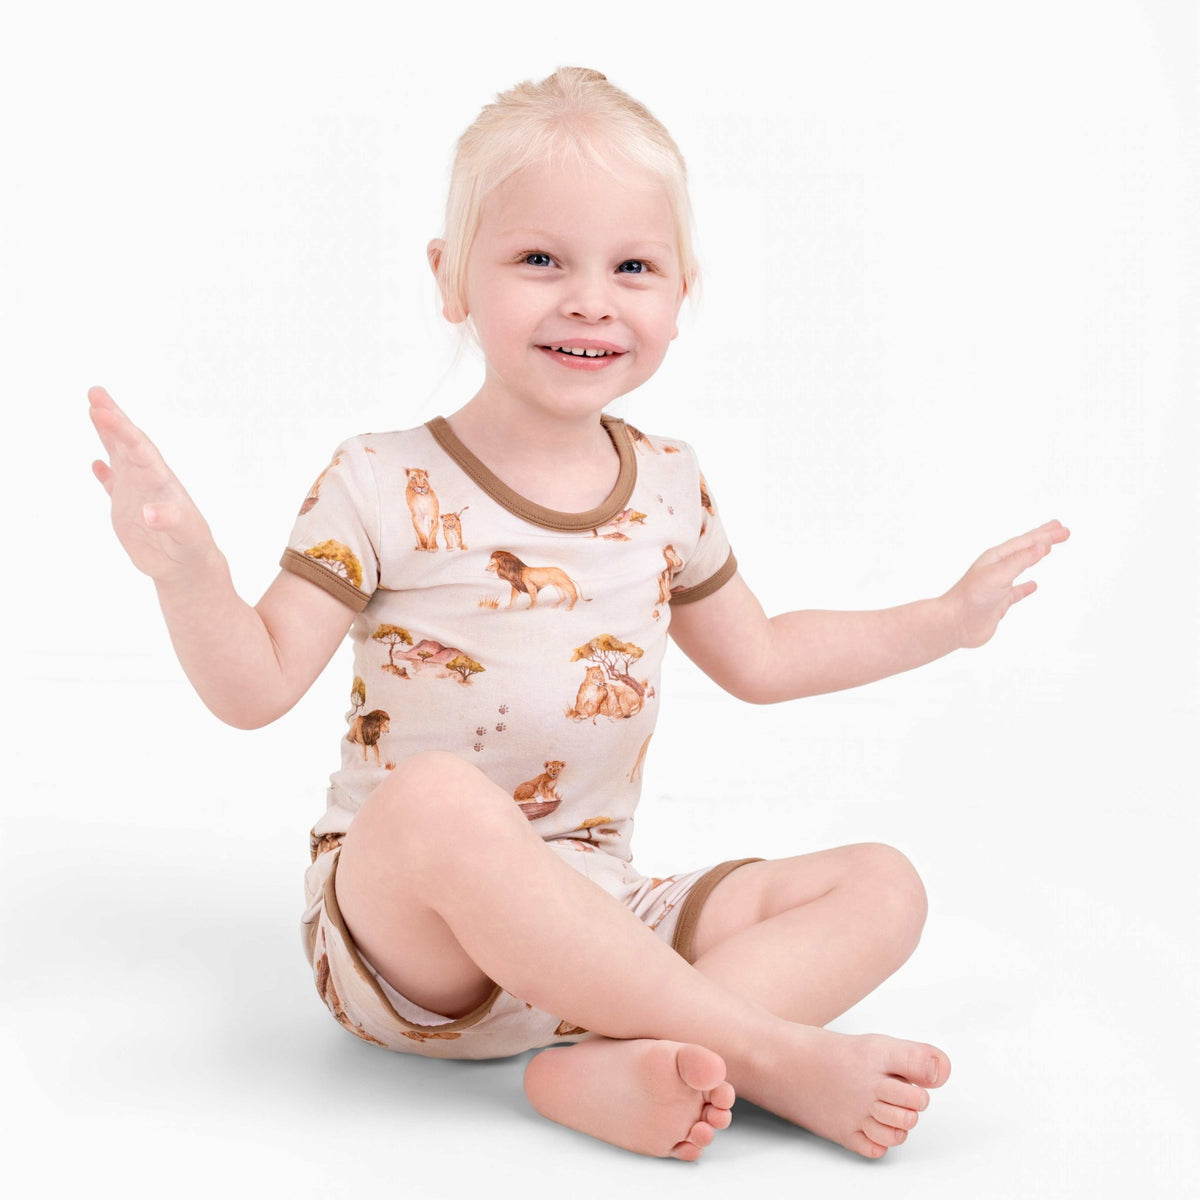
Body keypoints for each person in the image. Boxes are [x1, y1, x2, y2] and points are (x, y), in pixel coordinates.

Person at [88, 66, 1068, 1163]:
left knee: (883, 886)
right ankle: (764, 1050)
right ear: (451, 278)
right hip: (415, 951)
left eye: (634, 266)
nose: (591, 297)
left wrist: (947, 617)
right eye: (540, 260)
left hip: (603, 919)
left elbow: (767, 656)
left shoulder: (670, 484)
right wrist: (187, 571)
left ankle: (611, 1064)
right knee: (436, 802)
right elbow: (252, 686)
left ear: (682, 293)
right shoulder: (376, 481)